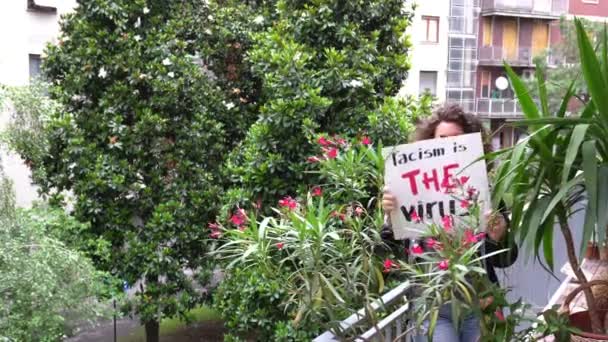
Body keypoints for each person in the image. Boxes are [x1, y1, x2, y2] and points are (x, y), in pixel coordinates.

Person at [381, 104, 518, 342]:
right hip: (434, 307)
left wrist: (498, 236)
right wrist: (389, 217)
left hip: (481, 304)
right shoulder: (409, 190)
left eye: (457, 139)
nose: (448, 146)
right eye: (442, 139)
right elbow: (385, 252)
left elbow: (506, 260)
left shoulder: (486, 192)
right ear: (428, 143)